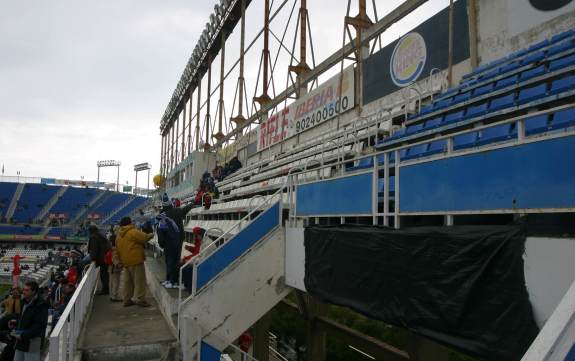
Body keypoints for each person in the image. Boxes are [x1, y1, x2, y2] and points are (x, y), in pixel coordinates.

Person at [157, 193, 194, 289]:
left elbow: (161, 231)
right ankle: (175, 281)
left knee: (169, 261)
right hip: (178, 241)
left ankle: (170, 280)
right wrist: (193, 203)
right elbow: (185, 209)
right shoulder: (177, 211)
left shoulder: (162, 216)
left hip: (168, 243)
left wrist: (161, 243)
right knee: (177, 262)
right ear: (170, 204)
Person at [116, 217, 153, 307]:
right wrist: (152, 234)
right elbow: (144, 238)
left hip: (125, 261)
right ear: (129, 223)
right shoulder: (133, 231)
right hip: (136, 260)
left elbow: (117, 248)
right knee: (139, 281)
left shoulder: (119, 235)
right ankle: (141, 299)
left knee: (128, 282)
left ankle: (127, 299)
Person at [10, 280, 49, 361]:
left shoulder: (41, 304)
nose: (24, 292)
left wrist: (23, 335)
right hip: (21, 340)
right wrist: (16, 323)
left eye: (27, 290)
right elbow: (23, 319)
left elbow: (39, 326)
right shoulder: (24, 302)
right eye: (23, 289)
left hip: (32, 342)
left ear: (34, 291)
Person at [88, 225, 111, 295]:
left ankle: (105, 290)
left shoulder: (94, 237)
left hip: (101, 258)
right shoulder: (101, 235)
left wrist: (93, 259)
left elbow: (94, 250)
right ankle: (106, 289)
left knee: (103, 274)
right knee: (105, 274)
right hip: (105, 257)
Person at [107, 236, 122, 302]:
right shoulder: (116, 249)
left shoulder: (110, 248)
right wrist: (118, 264)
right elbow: (115, 258)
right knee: (116, 282)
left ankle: (112, 295)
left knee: (111, 282)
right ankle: (114, 296)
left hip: (111, 268)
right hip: (115, 268)